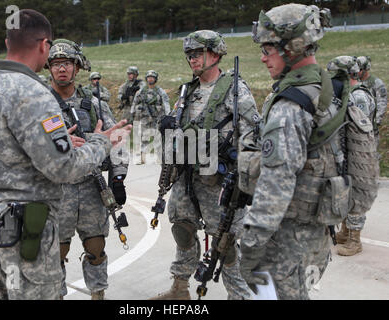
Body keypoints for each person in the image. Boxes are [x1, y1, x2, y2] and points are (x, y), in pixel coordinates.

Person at [0, 9, 131, 300]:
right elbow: (63, 168)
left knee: (13, 292)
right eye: (54, 60)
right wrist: (100, 143)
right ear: (44, 46)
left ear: (8, 43)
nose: (60, 68)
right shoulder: (34, 94)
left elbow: (1, 145)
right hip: (29, 221)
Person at [150, 30, 259, 300]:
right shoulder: (189, 91)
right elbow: (178, 129)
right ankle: (180, 288)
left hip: (219, 180)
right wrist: (166, 126)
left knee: (227, 242)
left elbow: (252, 136)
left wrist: (245, 180)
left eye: (197, 53)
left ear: (215, 53)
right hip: (187, 176)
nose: (192, 59)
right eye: (189, 55)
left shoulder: (235, 91)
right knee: (182, 230)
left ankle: (240, 295)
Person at [239, 4, 335, 299]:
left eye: (269, 48)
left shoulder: (289, 107)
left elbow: (277, 183)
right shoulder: (329, 92)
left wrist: (251, 243)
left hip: (286, 242)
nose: (263, 57)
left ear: (292, 47)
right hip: (318, 236)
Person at [45, 38, 128, 300]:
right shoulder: (40, 105)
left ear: (77, 67)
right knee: (55, 252)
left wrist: (118, 178)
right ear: (48, 68)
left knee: (96, 248)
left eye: (67, 63)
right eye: (56, 64)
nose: (62, 69)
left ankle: (98, 294)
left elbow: (117, 140)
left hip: (93, 190)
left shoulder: (95, 105)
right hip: (57, 192)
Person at [326, 56, 376, 256]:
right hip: (346, 149)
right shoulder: (348, 93)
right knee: (345, 190)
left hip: (359, 152)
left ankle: (355, 239)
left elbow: (358, 127)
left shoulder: (359, 96)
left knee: (356, 192)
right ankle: (346, 231)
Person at [130, 70, 170, 164]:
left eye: (152, 77)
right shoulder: (142, 91)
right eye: (149, 77)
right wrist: (132, 112)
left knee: (158, 137)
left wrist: (168, 114)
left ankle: (159, 158)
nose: (150, 79)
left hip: (157, 117)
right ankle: (142, 158)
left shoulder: (160, 91)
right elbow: (135, 102)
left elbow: (166, 103)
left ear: (155, 79)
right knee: (144, 137)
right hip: (145, 117)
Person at [356, 55, 387, 147]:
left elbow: (382, 102)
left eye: (360, 69)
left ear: (366, 69)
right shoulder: (354, 82)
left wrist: (376, 120)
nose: (357, 72)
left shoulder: (376, 83)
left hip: (371, 126)